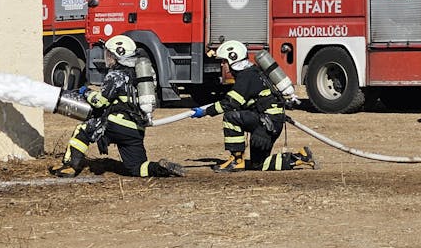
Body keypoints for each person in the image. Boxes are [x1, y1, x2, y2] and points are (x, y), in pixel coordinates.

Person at [49, 35, 185, 178]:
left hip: (116, 124)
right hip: (135, 130)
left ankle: (70, 166)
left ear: (118, 56)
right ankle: (159, 168)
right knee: (137, 167)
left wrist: (86, 92)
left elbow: (100, 102)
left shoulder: (116, 76)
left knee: (83, 130)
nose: (107, 58)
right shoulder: (142, 76)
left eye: (109, 54)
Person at [189, 40, 314, 171]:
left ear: (233, 59)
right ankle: (300, 158)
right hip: (271, 124)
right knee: (259, 164)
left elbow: (229, 104)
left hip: (265, 126)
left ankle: (237, 160)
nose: (222, 65)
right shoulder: (252, 72)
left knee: (230, 117)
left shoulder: (246, 77)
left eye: (224, 61)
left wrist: (204, 112)